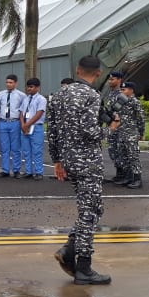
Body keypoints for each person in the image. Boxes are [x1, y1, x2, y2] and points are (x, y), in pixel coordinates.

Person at [46, 55, 113, 285]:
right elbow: (90, 131)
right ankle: (83, 267)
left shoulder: (59, 94)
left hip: (68, 160)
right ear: (98, 73)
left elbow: (52, 131)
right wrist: (111, 129)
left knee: (94, 208)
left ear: (77, 70)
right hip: (87, 161)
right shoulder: (91, 95)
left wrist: (57, 160)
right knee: (89, 212)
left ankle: (69, 249)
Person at [114, 81, 145, 189]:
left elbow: (140, 118)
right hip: (121, 132)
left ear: (131, 90)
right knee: (123, 156)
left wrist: (141, 132)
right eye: (121, 89)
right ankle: (128, 177)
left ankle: (137, 179)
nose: (121, 91)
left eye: (124, 89)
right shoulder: (120, 101)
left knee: (133, 156)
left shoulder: (135, 102)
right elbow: (114, 112)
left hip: (131, 133)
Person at [0, 74, 26, 177]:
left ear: (15, 83)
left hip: (15, 122)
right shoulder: (0, 94)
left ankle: (16, 170)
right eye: (7, 82)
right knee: (4, 148)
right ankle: (5, 170)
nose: (8, 84)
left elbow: (23, 110)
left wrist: (23, 124)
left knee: (16, 148)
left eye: (11, 82)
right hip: (3, 122)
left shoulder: (21, 95)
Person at [19, 78, 47, 180]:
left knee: (37, 151)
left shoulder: (41, 99)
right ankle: (28, 171)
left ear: (37, 88)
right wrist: (23, 124)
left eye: (31, 87)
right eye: (28, 87)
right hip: (25, 127)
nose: (29, 89)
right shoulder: (25, 99)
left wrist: (27, 125)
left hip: (35, 127)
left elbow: (39, 114)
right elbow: (21, 113)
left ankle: (39, 172)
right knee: (26, 151)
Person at [101, 70, 125, 181]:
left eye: (112, 79)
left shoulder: (121, 94)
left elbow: (120, 112)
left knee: (121, 152)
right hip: (112, 127)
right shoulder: (110, 93)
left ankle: (125, 175)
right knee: (113, 151)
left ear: (119, 80)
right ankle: (119, 174)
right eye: (109, 79)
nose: (110, 81)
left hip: (120, 128)